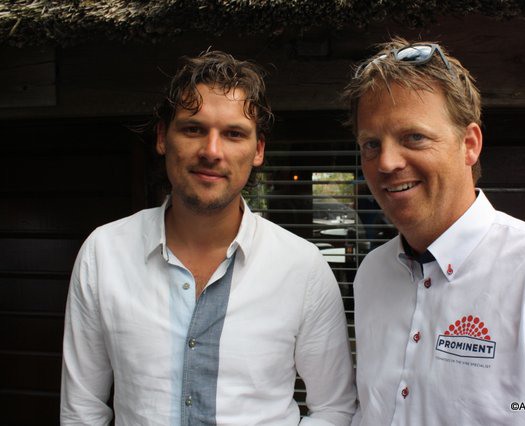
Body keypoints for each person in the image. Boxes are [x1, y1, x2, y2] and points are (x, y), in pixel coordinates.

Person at [343, 38, 525, 425]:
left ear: (469, 144)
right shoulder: (372, 274)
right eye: (371, 144)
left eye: (414, 137)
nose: (386, 162)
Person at [61, 50, 356, 425]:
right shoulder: (104, 253)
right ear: (162, 138)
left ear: (258, 150)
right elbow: (82, 410)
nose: (212, 151)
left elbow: (335, 408)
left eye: (234, 134)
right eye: (193, 129)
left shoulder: (302, 267)